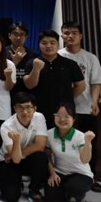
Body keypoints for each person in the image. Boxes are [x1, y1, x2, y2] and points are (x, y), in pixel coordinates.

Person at [58, 20, 101, 190]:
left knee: (89, 143)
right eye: (67, 33)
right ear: (62, 35)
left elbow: (96, 82)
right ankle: (65, 175)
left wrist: (94, 101)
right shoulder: (58, 56)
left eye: (74, 33)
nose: (70, 36)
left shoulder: (90, 58)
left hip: (85, 108)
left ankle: (90, 177)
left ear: (81, 35)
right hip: (63, 112)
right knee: (64, 144)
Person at [24, 30, 85, 127]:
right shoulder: (32, 63)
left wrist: (67, 98)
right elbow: (29, 85)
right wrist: (36, 69)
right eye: (44, 43)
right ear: (39, 44)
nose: (48, 46)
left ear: (58, 44)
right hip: (39, 111)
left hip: (64, 111)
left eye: (52, 43)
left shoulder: (70, 64)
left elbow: (81, 86)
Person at [0, 92, 48, 202]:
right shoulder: (7, 126)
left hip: (24, 157)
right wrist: (16, 144)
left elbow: (40, 145)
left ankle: (34, 189)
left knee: (41, 157)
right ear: (14, 109)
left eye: (28, 107)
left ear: (34, 108)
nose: (25, 112)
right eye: (20, 108)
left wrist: (14, 153)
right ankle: (16, 182)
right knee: (11, 197)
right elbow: (16, 159)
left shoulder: (39, 117)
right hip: (8, 162)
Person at [45, 102, 95, 202]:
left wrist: (88, 142)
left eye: (66, 116)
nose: (62, 119)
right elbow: (47, 157)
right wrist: (52, 173)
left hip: (81, 173)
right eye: (58, 115)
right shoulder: (49, 134)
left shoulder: (80, 136)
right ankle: (65, 193)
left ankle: (80, 198)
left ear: (73, 119)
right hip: (59, 172)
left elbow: (85, 160)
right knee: (51, 196)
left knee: (74, 188)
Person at [6, 22, 36, 104]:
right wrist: (14, 63)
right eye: (15, 34)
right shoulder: (3, 53)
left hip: (28, 97)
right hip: (7, 95)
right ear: (9, 35)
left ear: (26, 37)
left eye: (22, 34)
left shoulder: (33, 54)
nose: (18, 37)